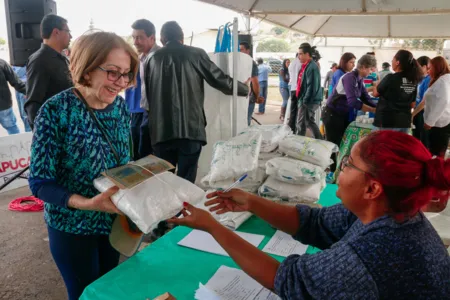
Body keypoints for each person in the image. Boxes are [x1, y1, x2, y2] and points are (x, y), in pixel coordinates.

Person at [170, 130, 450, 299]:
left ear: (373, 188)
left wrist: (214, 227)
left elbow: (290, 282)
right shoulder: (390, 213)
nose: (339, 171)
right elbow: (313, 222)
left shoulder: (373, 253)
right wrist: (252, 202)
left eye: (349, 165)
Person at [28, 31, 139, 300]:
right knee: (84, 294)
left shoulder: (120, 109)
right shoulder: (56, 111)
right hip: (72, 227)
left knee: (107, 289)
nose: (121, 82)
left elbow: (124, 162)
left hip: (113, 222)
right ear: (87, 69)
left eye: (126, 73)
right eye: (113, 72)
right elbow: (40, 183)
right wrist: (89, 204)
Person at [144, 21, 248, 183]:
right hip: (190, 129)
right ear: (182, 38)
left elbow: (149, 98)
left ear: (162, 39)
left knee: (165, 180)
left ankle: (168, 208)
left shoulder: (151, 59)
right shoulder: (196, 54)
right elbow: (219, 80)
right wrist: (244, 88)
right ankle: (184, 207)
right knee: (186, 178)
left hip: (161, 131)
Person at [322, 54, 377, 171]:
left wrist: (379, 107)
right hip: (332, 114)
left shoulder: (359, 79)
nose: (371, 72)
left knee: (341, 144)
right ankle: (331, 172)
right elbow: (352, 101)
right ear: (363, 67)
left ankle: (337, 169)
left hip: (343, 115)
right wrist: (372, 110)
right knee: (334, 144)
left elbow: (365, 97)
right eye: (370, 69)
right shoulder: (349, 78)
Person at [24, 14, 73, 128]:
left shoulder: (60, 57)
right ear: (56, 32)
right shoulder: (39, 60)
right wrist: (42, 135)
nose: (70, 36)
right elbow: (33, 104)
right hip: (54, 130)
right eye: (68, 31)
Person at [125, 19, 160, 160]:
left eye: (139, 37)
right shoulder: (139, 58)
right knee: (139, 153)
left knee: (149, 156)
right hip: (138, 110)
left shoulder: (160, 57)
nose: (135, 42)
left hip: (154, 114)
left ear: (152, 38)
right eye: (134, 37)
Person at [372, 50, 422, 133]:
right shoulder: (413, 80)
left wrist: (375, 85)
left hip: (386, 121)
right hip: (404, 122)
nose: (392, 61)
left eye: (393, 59)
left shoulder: (390, 78)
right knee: (399, 145)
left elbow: (375, 93)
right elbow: (413, 104)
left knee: (383, 145)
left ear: (397, 62)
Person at [421, 56, 450, 158]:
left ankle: (436, 172)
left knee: (436, 153)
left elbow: (443, 101)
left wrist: (430, 121)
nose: (428, 71)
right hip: (441, 121)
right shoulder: (444, 79)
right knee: (437, 152)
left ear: (437, 68)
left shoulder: (442, 81)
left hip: (439, 124)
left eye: (430, 68)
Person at [295, 43, 323, 139]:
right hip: (306, 99)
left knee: (301, 124)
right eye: (298, 54)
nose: (299, 56)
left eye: (301, 54)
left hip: (308, 101)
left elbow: (311, 87)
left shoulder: (312, 67)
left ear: (307, 54)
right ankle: (320, 140)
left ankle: (298, 145)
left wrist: (304, 101)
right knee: (309, 122)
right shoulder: (306, 66)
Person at [0, 59, 26, 135]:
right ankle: (18, 144)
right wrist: (26, 92)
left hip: (4, 105)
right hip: (4, 105)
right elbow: (15, 81)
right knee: (12, 128)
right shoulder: (1, 63)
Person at [412, 56, 431, 146]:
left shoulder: (429, 79)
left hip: (422, 111)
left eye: (418, 67)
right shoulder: (420, 79)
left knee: (423, 138)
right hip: (417, 110)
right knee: (415, 135)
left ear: (424, 67)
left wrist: (413, 114)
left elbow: (424, 101)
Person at [240, 42, 260, 126]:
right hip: (240, 96)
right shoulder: (237, 61)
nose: (239, 52)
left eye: (241, 49)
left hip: (248, 96)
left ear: (248, 51)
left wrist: (256, 97)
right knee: (243, 120)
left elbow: (255, 82)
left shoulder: (250, 63)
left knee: (246, 120)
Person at [12, 65, 31, 132]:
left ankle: (29, 135)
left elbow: (18, 73)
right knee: (23, 115)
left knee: (26, 116)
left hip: (25, 83)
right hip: (18, 83)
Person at [288, 52, 302, 132]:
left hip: (292, 88)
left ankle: (291, 128)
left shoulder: (292, 63)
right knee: (299, 110)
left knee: (293, 110)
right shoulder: (299, 63)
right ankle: (294, 128)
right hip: (297, 89)